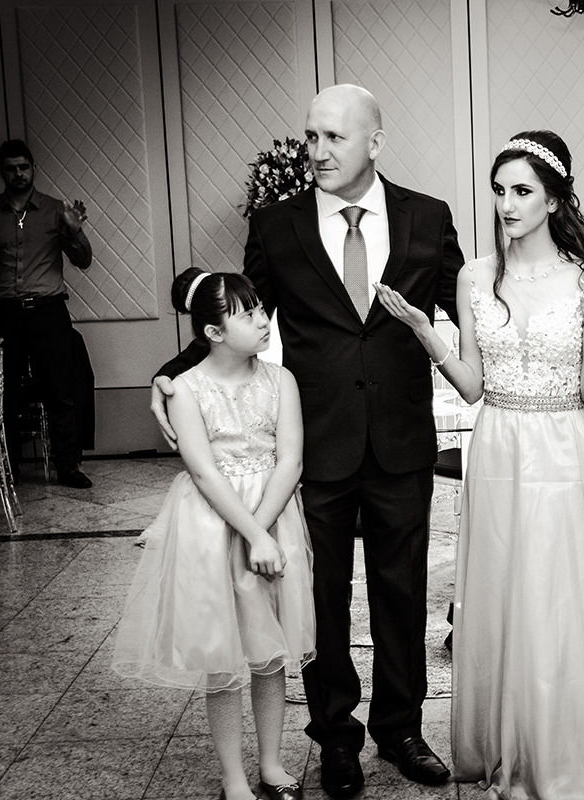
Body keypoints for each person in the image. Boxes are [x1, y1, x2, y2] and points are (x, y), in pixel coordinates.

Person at [151, 84, 464, 797]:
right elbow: (236, 315)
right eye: (310, 137)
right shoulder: (277, 225)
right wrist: (171, 373)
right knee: (319, 596)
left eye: (333, 137)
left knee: (401, 591)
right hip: (311, 444)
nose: (316, 151)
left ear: (374, 142)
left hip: (400, 438)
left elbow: (469, 306)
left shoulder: (428, 216)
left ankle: (402, 729)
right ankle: (336, 738)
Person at [375, 130, 584, 799]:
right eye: (499, 190)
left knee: (558, 595)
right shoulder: (476, 276)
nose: (506, 204)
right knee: (505, 594)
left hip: (562, 445)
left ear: (554, 199)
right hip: (497, 444)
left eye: (522, 191)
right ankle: (509, 740)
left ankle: (565, 748)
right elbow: (473, 386)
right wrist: (425, 332)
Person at [115, 268, 314, 800]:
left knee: (271, 652)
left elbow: (291, 460)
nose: (263, 320)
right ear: (214, 332)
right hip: (212, 525)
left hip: (272, 515)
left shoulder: (282, 381)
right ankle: (233, 778)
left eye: (261, 309)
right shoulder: (184, 390)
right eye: (247, 314)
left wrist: (264, 533)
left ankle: (271, 765)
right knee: (221, 658)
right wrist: (252, 535)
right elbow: (203, 472)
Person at [0, 139, 94, 488]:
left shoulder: (55, 210)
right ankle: (9, 468)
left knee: (60, 390)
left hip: (49, 312)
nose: (18, 173)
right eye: (11, 168)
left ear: (33, 169)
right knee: (3, 395)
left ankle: (68, 466)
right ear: (1, 172)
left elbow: (83, 260)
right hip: (4, 314)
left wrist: (75, 230)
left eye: (23, 167)